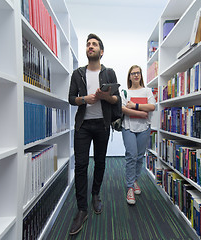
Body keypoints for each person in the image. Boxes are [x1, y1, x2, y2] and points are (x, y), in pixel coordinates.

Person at [68, 33, 120, 235]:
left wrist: (106, 97)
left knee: (100, 162)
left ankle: (95, 194)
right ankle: (82, 209)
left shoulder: (110, 73)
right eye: (88, 44)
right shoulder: (77, 73)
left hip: (102, 124)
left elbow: (117, 101)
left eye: (94, 44)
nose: (90, 46)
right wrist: (84, 100)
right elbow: (71, 98)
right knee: (81, 165)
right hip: (83, 125)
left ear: (101, 51)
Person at [121, 65, 156, 205]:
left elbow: (152, 106)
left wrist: (134, 106)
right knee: (131, 156)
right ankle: (130, 187)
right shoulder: (124, 92)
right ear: (129, 76)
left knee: (140, 157)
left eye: (138, 73)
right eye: (133, 73)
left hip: (144, 128)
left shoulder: (147, 91)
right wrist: (141, 112)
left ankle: (135, 180)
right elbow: (123, 109)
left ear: (141, 75)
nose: (136, 75)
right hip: (128, 127)